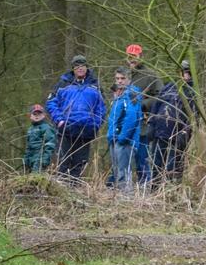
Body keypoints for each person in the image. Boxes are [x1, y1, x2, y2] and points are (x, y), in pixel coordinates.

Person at [46, 55, 106, 184]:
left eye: (82, 66)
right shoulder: (63, 84)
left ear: (86, 67)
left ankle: (75, 188)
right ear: (73, 68)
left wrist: (95, 124)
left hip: (86, 130)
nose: (80, 69)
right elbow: (51, 103)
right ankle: (62, 188)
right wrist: (59, 120)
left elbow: (101, 107)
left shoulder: (95, 85)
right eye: (77, 66)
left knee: (80, 162)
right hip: (66, 128)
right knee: (63, 161)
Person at [148, 60, 197, 185]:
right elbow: (156, 106)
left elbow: (192, 116)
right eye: (182, 72)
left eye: (186, 72)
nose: (183, 75)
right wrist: (152, 124)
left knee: (172, 167)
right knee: (156, 164)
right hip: (161, 133)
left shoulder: (191, 92)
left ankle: (169, 192)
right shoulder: (168, 87)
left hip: (177, 136)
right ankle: (154, 191)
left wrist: (185, 132)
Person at [125, 44, 164, 187]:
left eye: (135, 57)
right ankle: (123, 191)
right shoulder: (123, 75)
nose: (132, 60)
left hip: (142, 124)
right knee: (123, 161)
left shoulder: (151, 75)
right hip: (124, 126)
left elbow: (160, 97)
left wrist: (143, 104)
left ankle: (144, 191)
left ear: (141, 57)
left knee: (143, 159)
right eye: (129, 57)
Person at [106, 67, 142, 192]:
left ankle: (126, 199)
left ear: (129, 79)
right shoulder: (118, 96)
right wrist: (111, 136)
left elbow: (132, 117)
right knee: (116, 171)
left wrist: (123, 137)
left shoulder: (131, 94)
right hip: (114, 138)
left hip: (125, 140)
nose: (119, 81)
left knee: (123, 172)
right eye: (117, 78)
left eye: (122, 78)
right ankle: (119, 199)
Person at [23, 104, 56, 173]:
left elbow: (50, 145)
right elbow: (28, 146)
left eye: (39, 114)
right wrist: (25, 159)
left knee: (36, 176)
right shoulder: (30, 129)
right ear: (30, 116)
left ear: (43, 115)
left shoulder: (46, 128)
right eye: (34, 114)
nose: (37, 116)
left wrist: (45, 159)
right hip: (30, 159)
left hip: (40, 158)